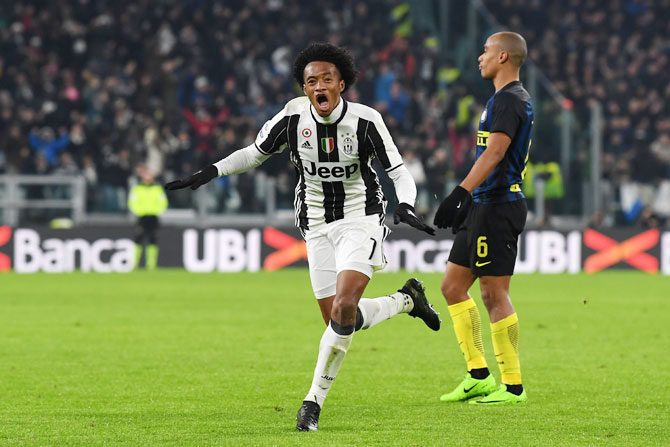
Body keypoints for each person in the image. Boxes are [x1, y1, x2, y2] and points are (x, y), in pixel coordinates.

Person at [165, 43, 440, 430]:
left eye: (327, 78)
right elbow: (254, 153)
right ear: (305, 89)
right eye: (311, 81)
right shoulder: (292, 117)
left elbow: (398, 170)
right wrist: (211, 172)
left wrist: (407, 203)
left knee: (344, 306)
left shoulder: (366, 121)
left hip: (361, 218)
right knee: (337, 319)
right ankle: (406, 300)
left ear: (341, 84)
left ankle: (312, 403)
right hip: (314, 224)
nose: (319, 86)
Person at [433, 32, 533, 405]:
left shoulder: (509, 100)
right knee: (453, 286)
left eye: (486, 51)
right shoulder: (500, 99)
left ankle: (512, 386)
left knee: (493, 293)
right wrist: (469, 197)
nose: (480, 57)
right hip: (483, 205)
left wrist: (461, 191)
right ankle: (478, 374)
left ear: (503, 56)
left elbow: (495, 152)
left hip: (498, 206)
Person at [128, 165, 168, 270]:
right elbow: (132, 203)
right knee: (138, 239)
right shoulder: (137, 188)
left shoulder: (157, 188)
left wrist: (156, 211)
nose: (148, 177)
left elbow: (163, 202)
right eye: (146, 175)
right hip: (142, 217)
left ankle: (151, 264)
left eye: (150, 175)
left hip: (153, 216)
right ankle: (135, 263)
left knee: (153, 239)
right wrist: (140, 211)